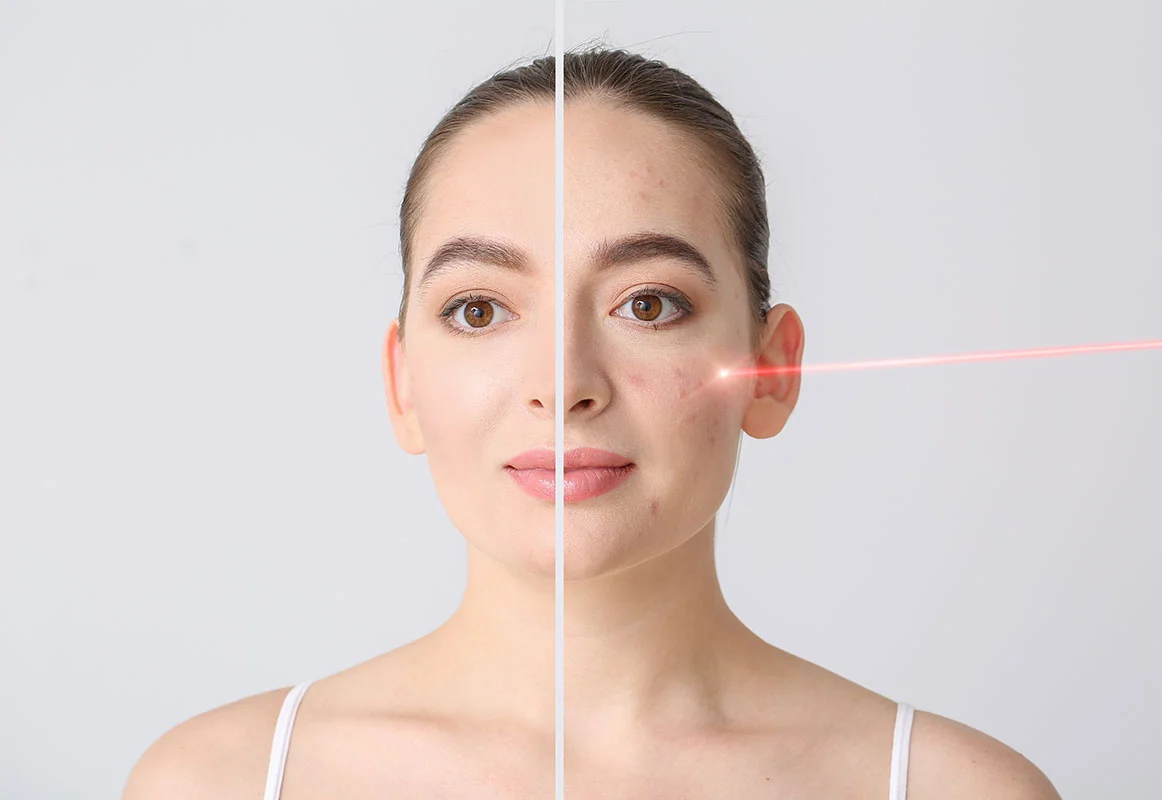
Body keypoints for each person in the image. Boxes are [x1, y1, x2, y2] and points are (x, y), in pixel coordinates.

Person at [122, 45, 1061, 799]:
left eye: (648, 304)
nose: (563, 384)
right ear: (403, 383)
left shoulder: (955, 790)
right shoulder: (219, 784)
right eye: (480, 310)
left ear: (770, 370)